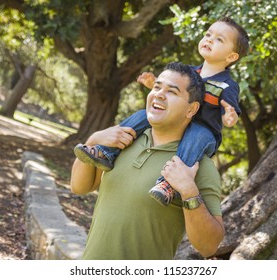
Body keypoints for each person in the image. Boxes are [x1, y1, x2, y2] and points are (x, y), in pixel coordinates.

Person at [74, 17, 249, 206]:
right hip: (177, 120)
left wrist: (229, 117)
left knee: (196, 137)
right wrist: (154, 85)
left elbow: (230, 111)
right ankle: (106, 152)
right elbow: (172, 92)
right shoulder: (189, 73)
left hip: (204, 130)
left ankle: (168, 184)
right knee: (142, 115)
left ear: (231, 57)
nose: (209, 39)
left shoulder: (227, 85)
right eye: (208, 34)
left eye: (219, 39)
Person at [70, 62, 224, 260]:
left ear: (191, 109)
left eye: (172, 92)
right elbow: (79, 186)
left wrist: (188, 190)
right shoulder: (124, 139)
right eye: (157, 87)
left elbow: (209, 247)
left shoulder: (196, 167)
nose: (159, 94)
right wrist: (94, 140)